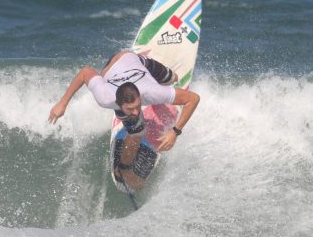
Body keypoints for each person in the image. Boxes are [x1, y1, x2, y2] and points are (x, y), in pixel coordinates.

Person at [48, 50, 200, 189]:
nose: (136, 112)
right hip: (112, 69)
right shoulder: (106, 97)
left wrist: (175, 131)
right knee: (136, 131)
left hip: (135, 60)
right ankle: (124, 170)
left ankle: (164, 77)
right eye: (130, 108)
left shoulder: (152, 91)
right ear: (119, 105)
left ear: (141, 97)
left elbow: (193, 99)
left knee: (173, 78)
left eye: (138, 106)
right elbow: (85, 72)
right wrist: (62, 103)